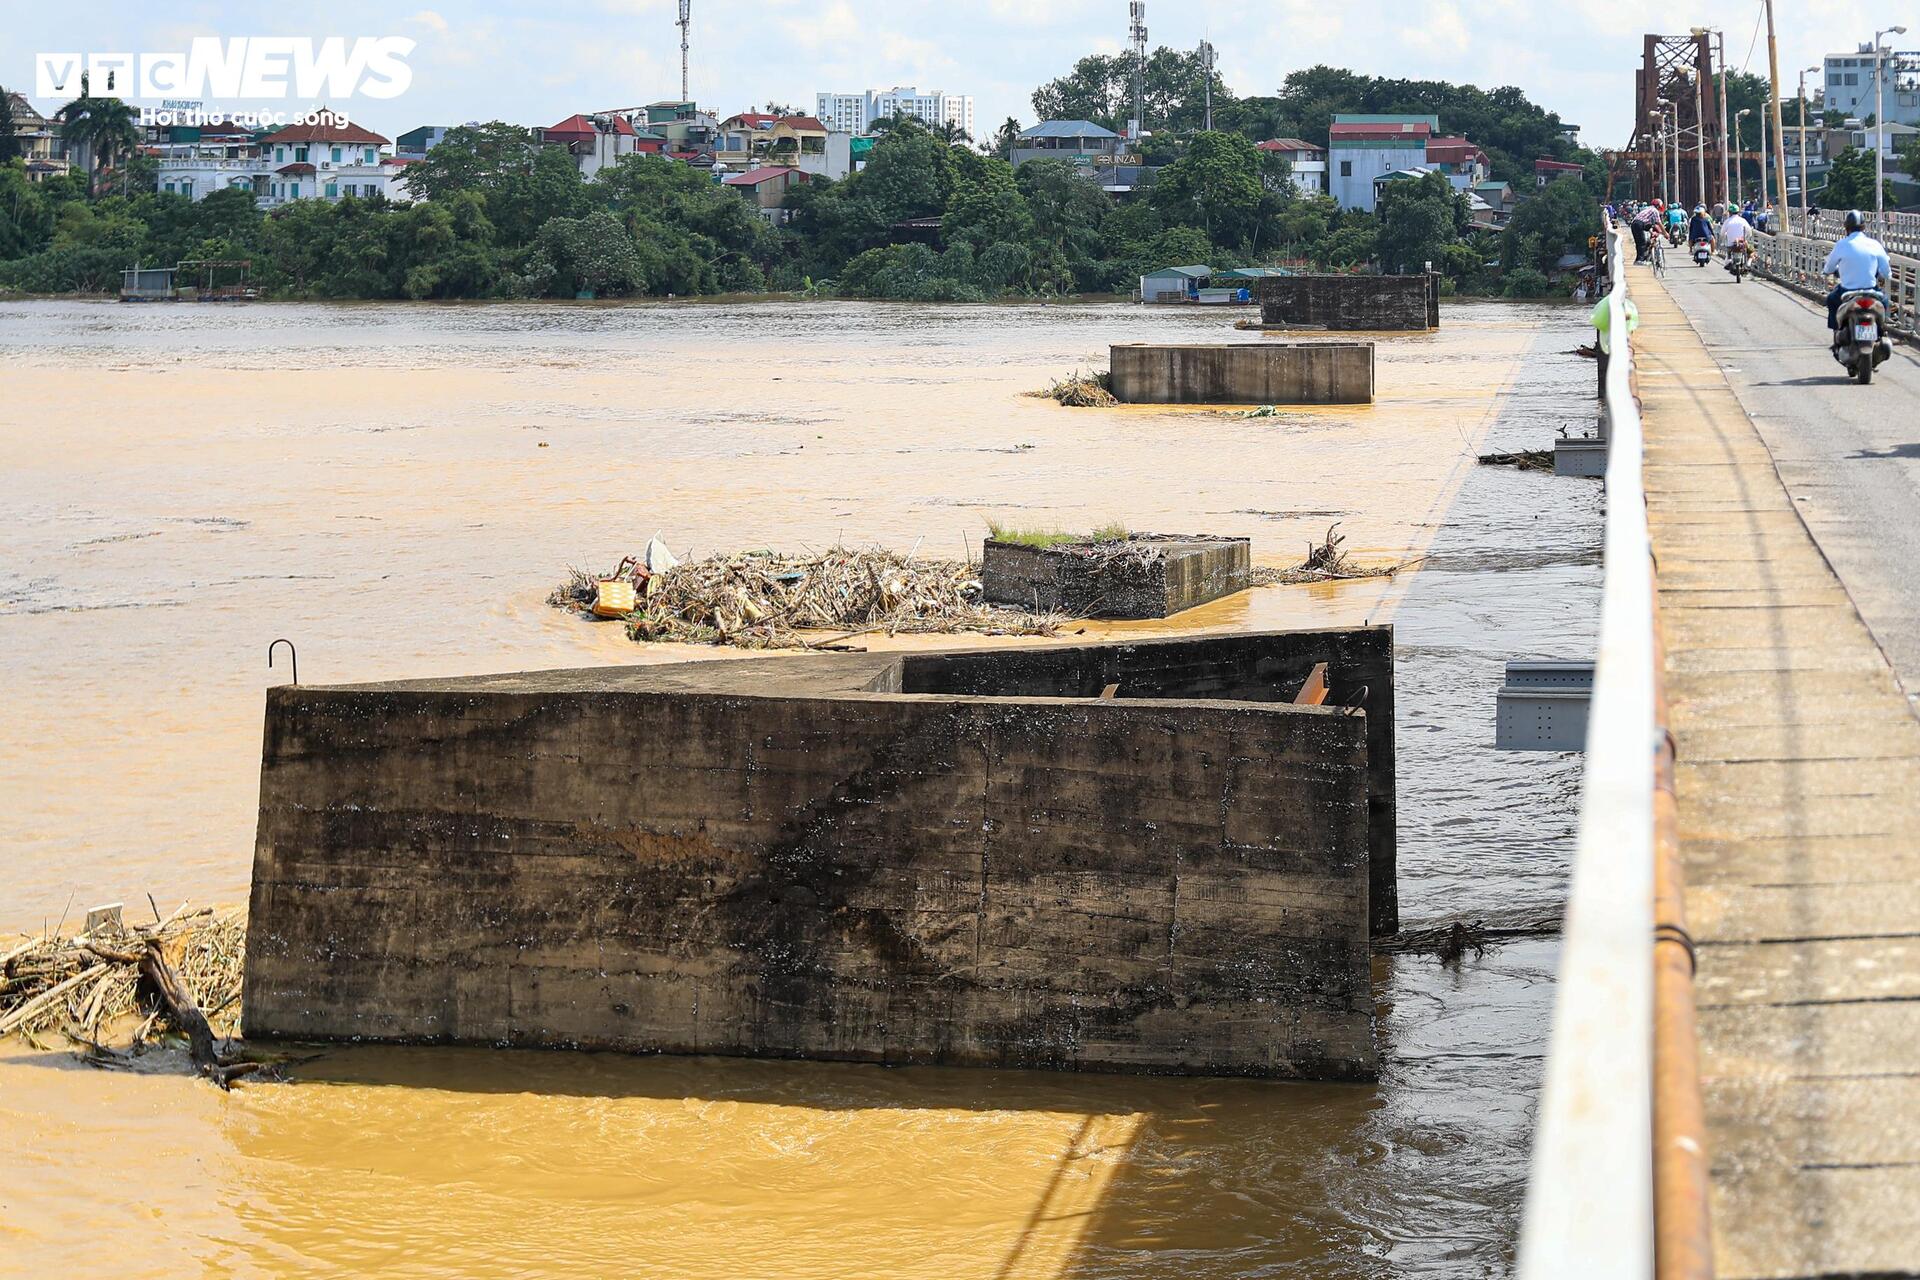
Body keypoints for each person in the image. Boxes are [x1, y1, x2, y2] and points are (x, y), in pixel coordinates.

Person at [1822, 209, 1892, 335]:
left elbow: (1829, 267)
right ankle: (1881, 330)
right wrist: (1882, 274)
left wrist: (1827, 271)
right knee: (1885, 301)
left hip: (1847, 292)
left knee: (1831, 299)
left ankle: (1837, 332)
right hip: (1871, 292)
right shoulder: (1874, 244)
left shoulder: (1842, 244)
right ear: (1864, 227)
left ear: (1847, 228)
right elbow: (1887, 272)